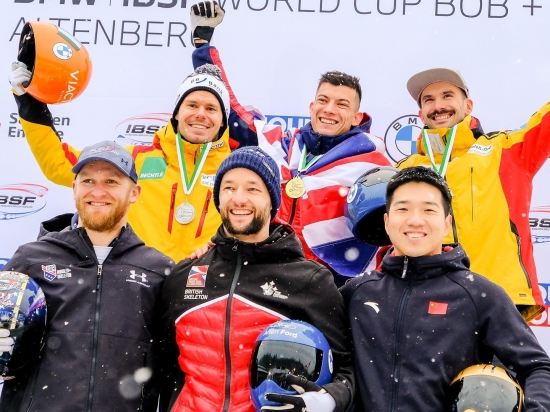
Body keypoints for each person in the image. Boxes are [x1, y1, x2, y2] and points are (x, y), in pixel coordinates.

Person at [8, 18, 256, 262]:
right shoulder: (135, 160)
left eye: (211, 109)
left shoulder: (237, 171)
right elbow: (58, 164)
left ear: (223, 120)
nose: (200, 114)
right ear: (177, 113)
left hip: (205, 292)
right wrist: (30, 103)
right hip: (143, 286)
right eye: (192, 105)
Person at [187, 1, 392, 278]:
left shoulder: (373, 166)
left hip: (336, 283)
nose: (329, 109)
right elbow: (231, 112)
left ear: (357, 117)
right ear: (311, 107)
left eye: (342, 104)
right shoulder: (280, 145)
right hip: (269, 272)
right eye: (323, 100)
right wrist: (203, 49)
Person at [157, 147, 354, 412]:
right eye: (228, 188)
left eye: (252, 189)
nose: (238, 199)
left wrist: (329, 398)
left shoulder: (310, 280)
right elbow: (162, 368)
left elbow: (347, 369)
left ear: (272, 201)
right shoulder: (185, 275)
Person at [340, 166, 550, 412]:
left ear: (447, 223)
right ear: (387, 221)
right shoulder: (357, 293)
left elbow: (536, 367)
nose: (415, 220)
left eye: (429, 209)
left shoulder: (480, 295)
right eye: (403, 209)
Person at [0, 141, 174, 412]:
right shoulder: (31, 259)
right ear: (74, 188)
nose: (98, 191)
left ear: (135, 193)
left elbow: (176, 363)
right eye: (88, 180)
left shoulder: (157, 270)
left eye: (112, 181)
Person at [395, 68, 550, 321]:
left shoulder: (504, 150)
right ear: (421, 114)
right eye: (429, 100)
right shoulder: (405, 169)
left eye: (447, 96)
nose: (439, 106)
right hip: (426, 306)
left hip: (499, 302)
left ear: (467, 105)